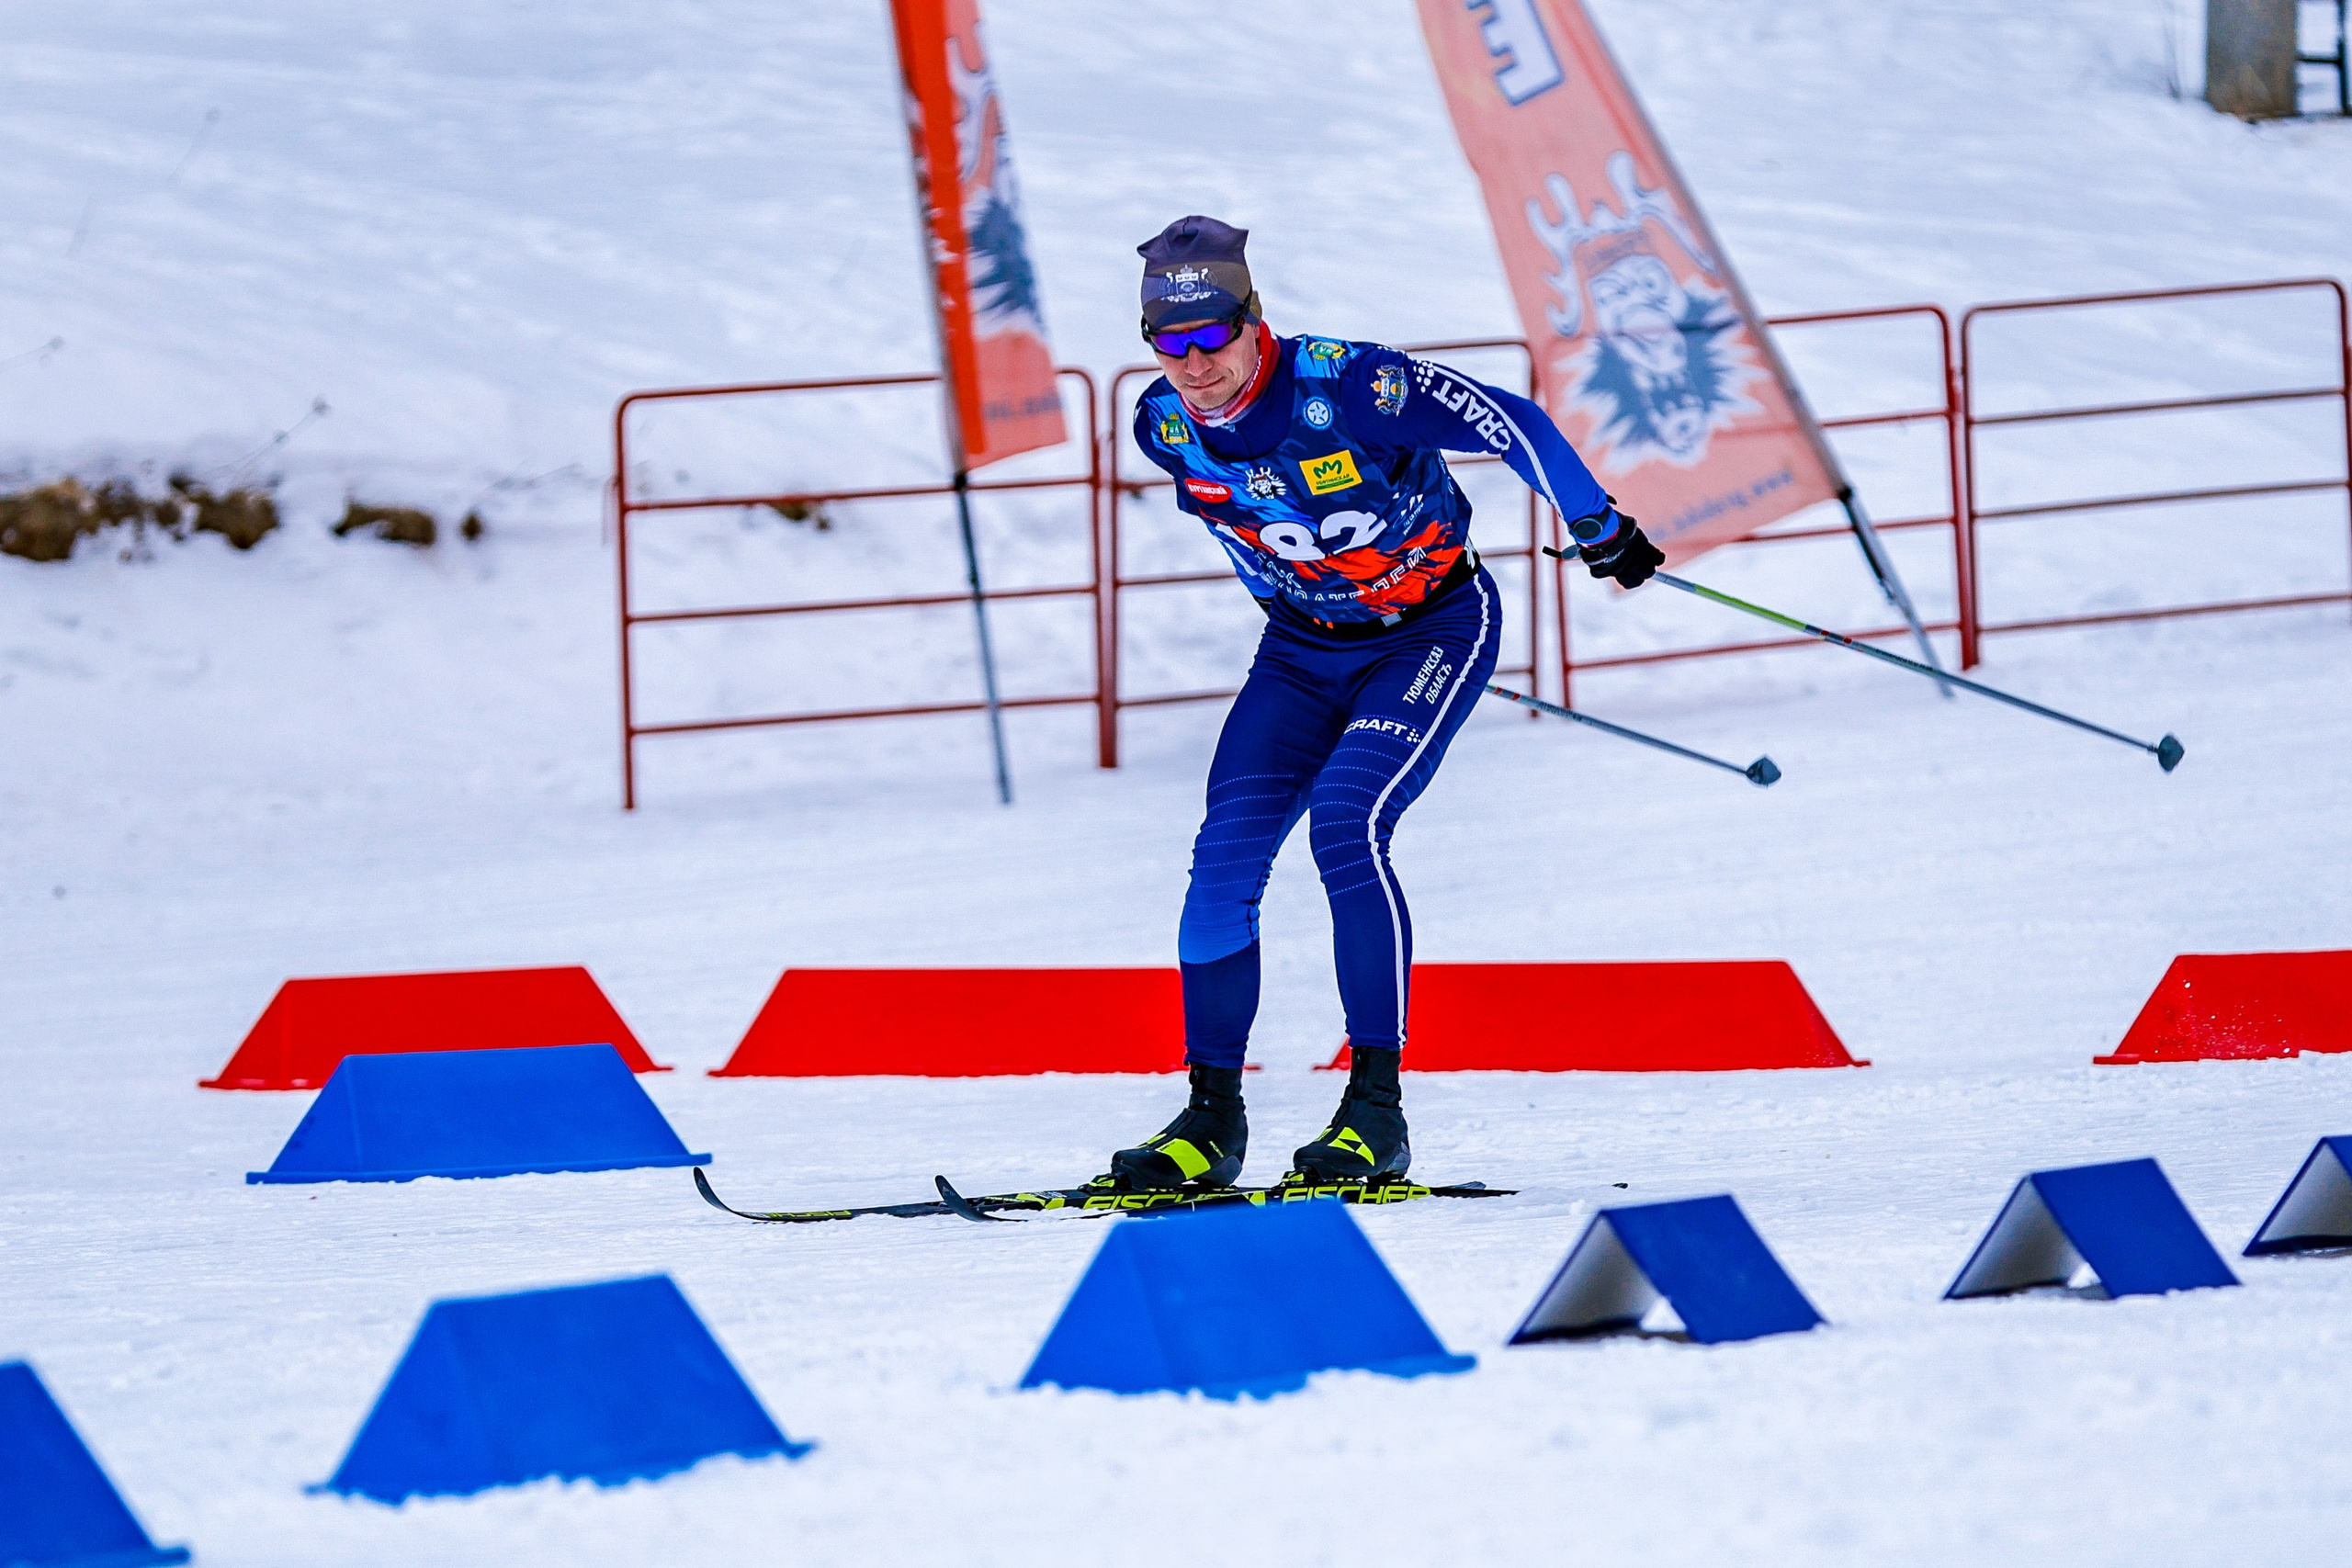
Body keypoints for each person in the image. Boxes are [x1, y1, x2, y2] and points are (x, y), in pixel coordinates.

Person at [1111, 215, 1663, 1190]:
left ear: (1254, 323)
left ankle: (1374, 1111)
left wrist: (1594, 521)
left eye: (1211, 337)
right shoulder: (1161, 425)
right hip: (1299, 653)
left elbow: (1513, 422)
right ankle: (1210, 1120)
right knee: (1220, 863)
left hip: (1429, 632)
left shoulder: (1352, 384)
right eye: (1169, 342)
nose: (1193, 364)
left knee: (1346, 825)